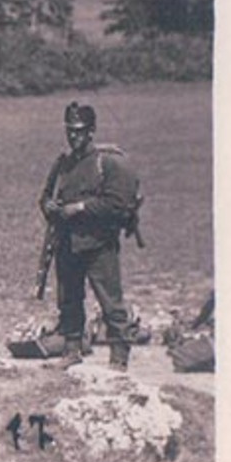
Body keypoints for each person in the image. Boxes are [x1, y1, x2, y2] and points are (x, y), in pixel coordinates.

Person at [38, 101, 142, 369]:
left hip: (98, 244)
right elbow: (46, 196)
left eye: (79, 130)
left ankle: (119, 358)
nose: (74, 136)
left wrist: (81, 208)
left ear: (92, 131)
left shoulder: (106, 162)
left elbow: (117, 204)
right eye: (70, 130)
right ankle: (72, 351)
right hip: (67, 243)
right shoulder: (62, 164)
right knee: (69, 299)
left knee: (110, 302)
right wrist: (48, 206)